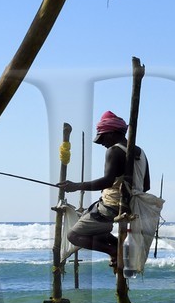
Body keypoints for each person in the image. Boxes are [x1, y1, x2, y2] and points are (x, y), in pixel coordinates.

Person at [58, 111, 150, 261]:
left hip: (114, 205)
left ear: (113, 133)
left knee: (73, 235)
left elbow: (107, 181)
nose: (102, 143)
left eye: (102, 138)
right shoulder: (141, 152)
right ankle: (121, 247)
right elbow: (146, 185)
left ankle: (114, 252)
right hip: (136, 205)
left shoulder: (114, 150)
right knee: (97, 234)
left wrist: (76, 186)